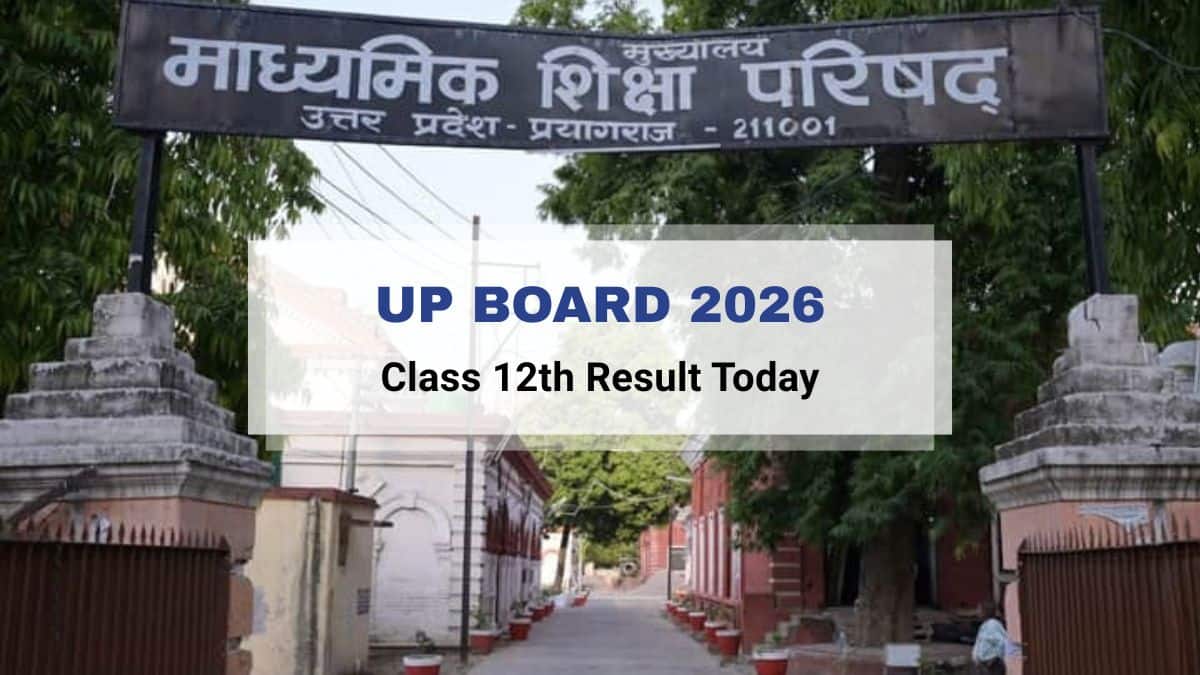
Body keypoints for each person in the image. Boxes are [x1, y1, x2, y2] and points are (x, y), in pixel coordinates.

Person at [971, 603, 1008, 675]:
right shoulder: (984, 625)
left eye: (979, 609)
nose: (977, 612)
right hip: (983, 665)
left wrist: (994, 658)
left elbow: (1002, 642)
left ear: (986, 611)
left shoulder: (993, 624)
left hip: (992, 665)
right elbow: (980, 643)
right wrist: (976, 657)